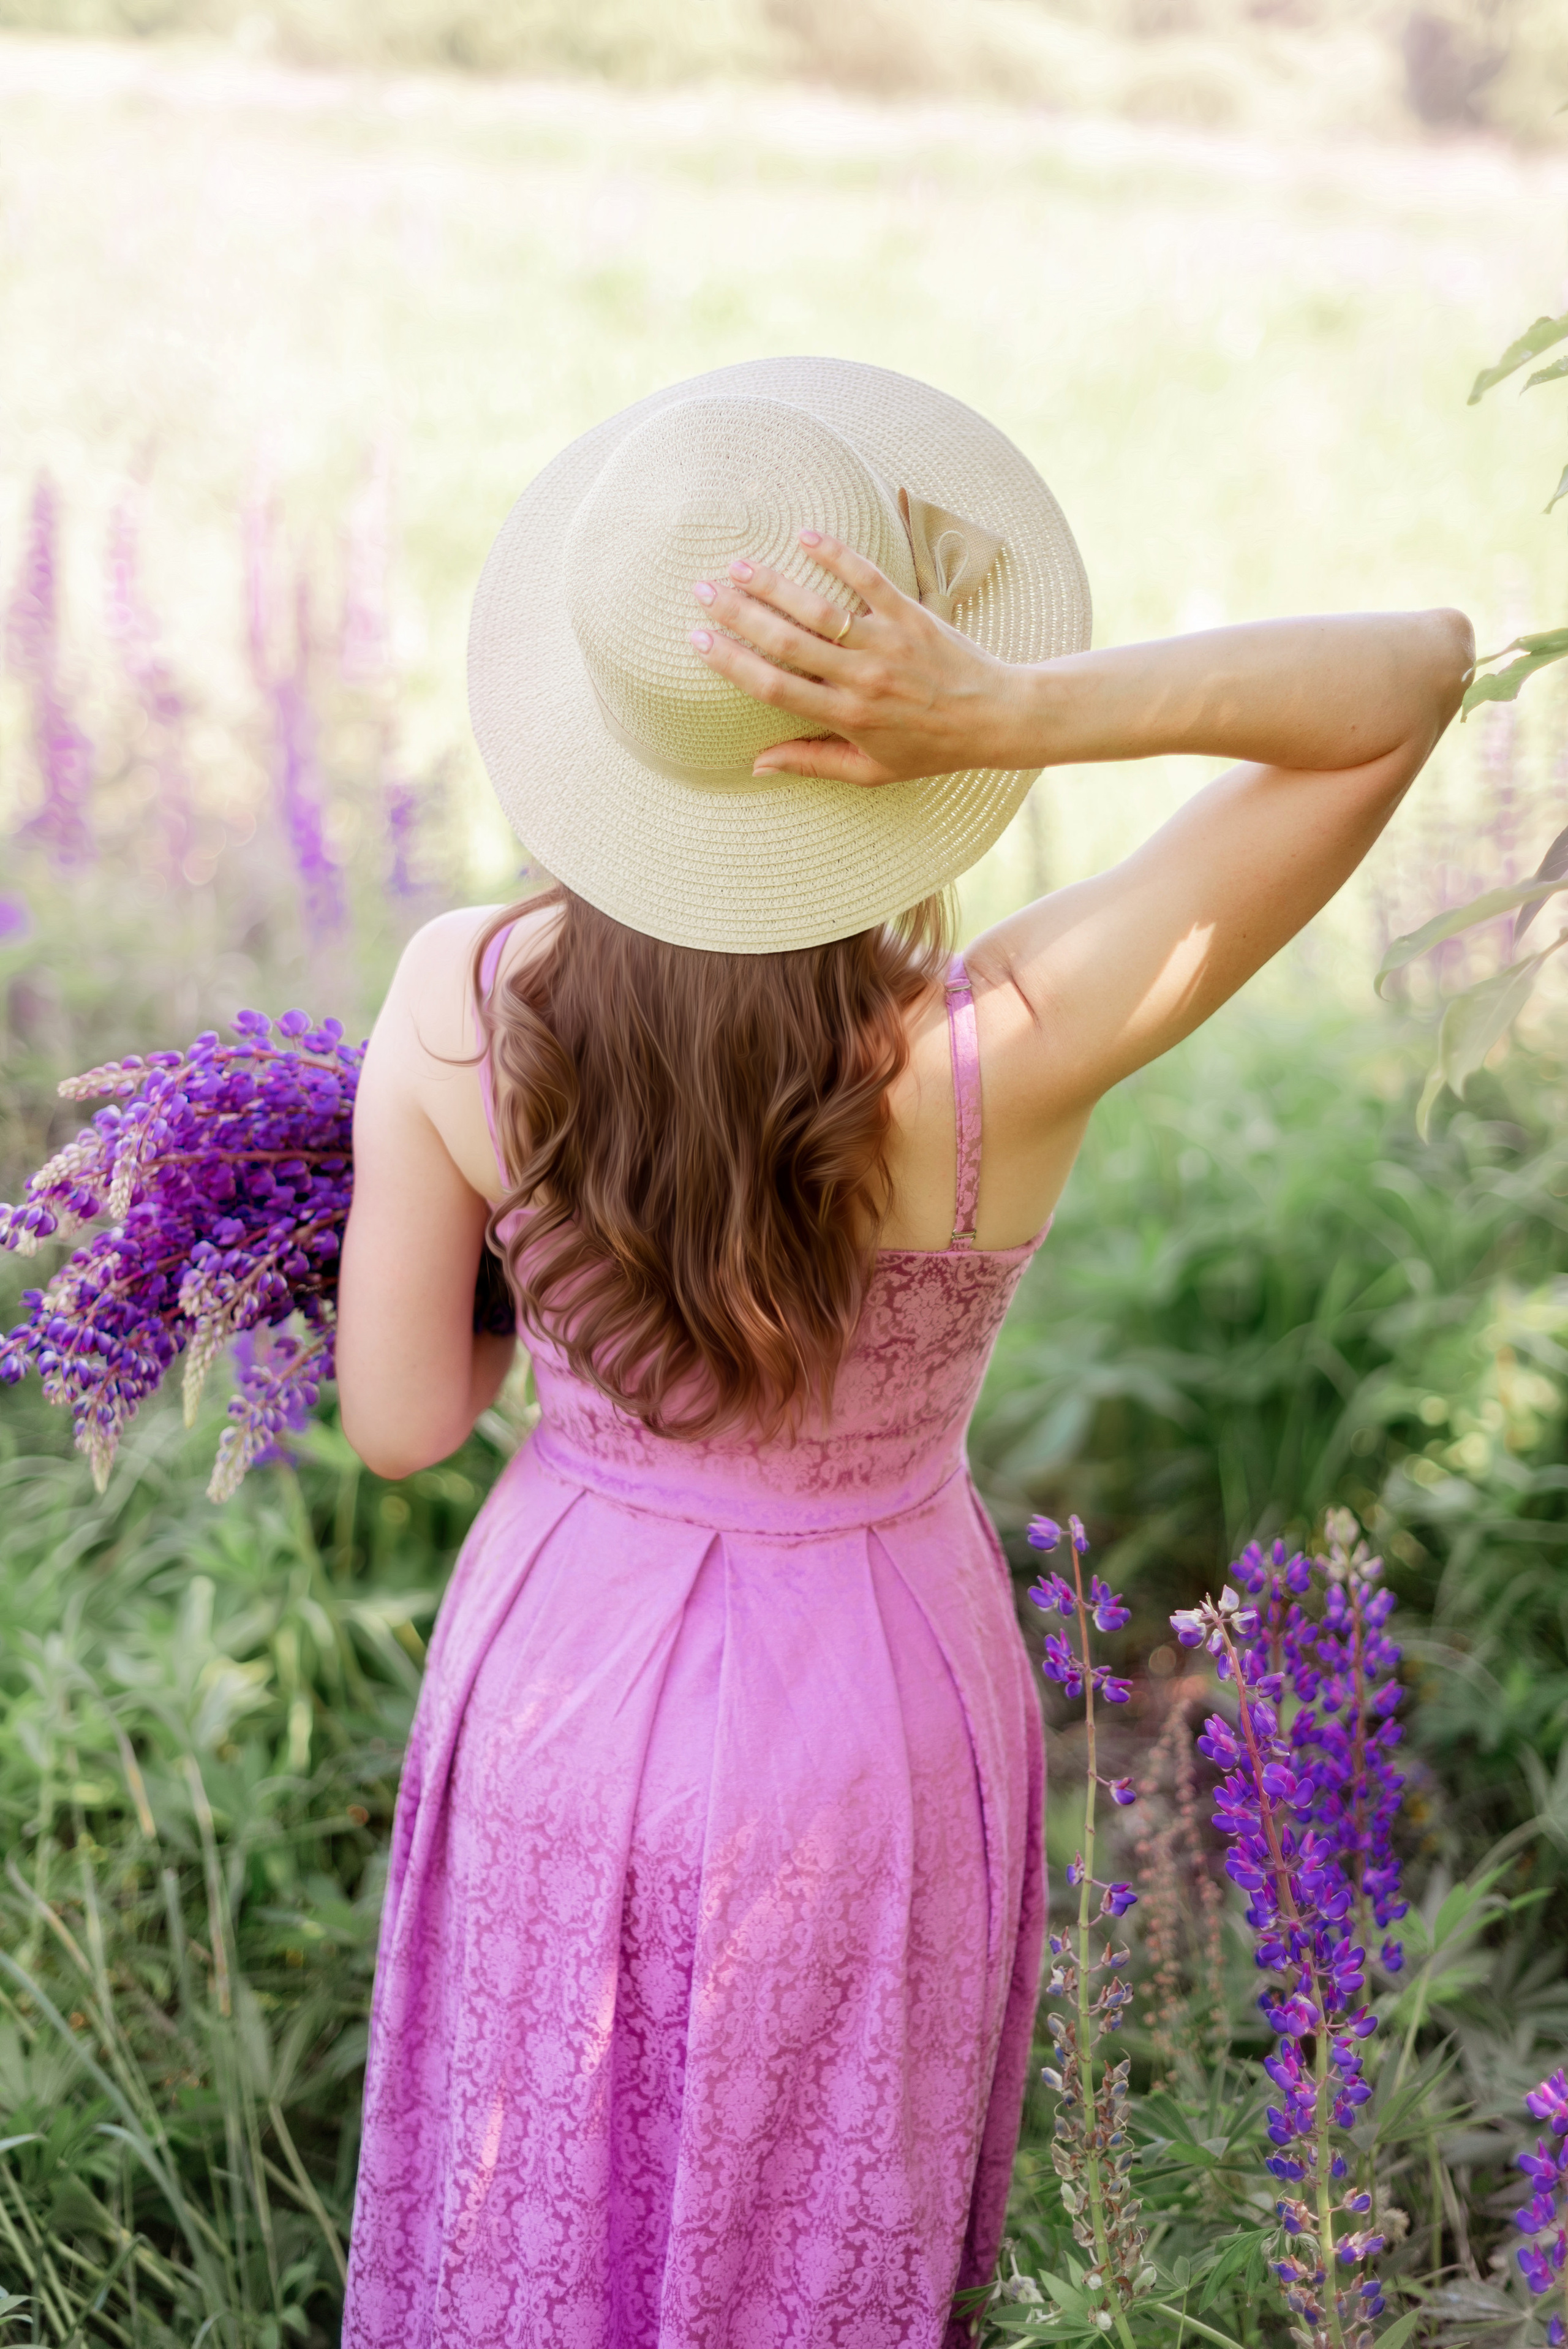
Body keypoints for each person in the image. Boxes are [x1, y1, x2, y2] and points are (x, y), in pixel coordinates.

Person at [334, 358, 1471, 2348]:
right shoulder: (1002, 1046)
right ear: (901, 731)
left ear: (602, 728)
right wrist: (1027, 707)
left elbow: (402, 1417)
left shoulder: (455, 995)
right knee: (807, 2227)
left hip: (556, 1677)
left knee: (537, 2204)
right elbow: (1414, 673)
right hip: (865, 1711)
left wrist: (564, 1284)